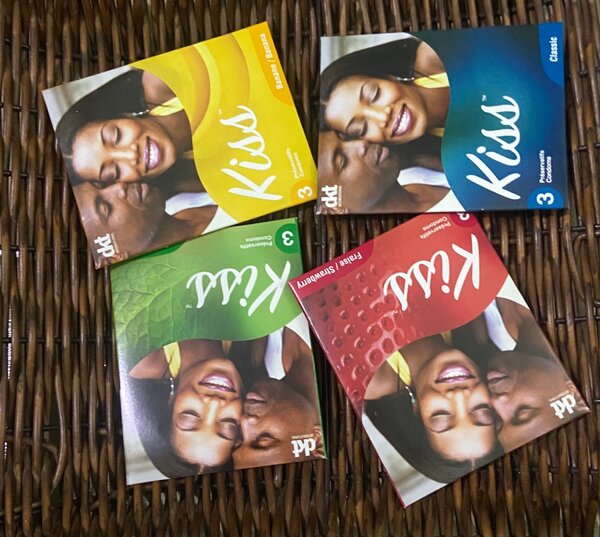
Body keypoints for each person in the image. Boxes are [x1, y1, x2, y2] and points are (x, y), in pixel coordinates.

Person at [452, 297, 589, 452]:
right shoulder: (574, 306)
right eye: (523, 411)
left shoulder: (487, 335)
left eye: (498, 421)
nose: (496, 401)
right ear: (573, 394)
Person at [363, 334, 502, 483]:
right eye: (481, 410)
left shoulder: (371, 378)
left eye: (441, 415)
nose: (458, 395)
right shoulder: (473, 331)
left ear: (416, 412)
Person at [55, 68, 207, 197]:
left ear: (123, 115)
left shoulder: (161, 80)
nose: (131, 155)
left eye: (116, 136)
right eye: (114, 171)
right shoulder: (191, 183)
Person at [320, 37, 448, 169]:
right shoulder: (433, 159)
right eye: (362, 128)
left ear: (389, 77)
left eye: (375, 94)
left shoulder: (435, 54)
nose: (383, 117)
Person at [127, 338, 244, 475]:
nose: (214, 403)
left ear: (170, 403)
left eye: (190, 415)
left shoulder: (141, 358)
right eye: (228, 424)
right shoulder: (249, 343)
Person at [229, 323, 324, 468]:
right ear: (315, 440)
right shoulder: (346, 356)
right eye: (265, 438)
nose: (244, 421)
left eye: (240, 438)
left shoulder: (265, 360)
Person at [318, 130, 462, 213]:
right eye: (343, 161)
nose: (361, 144)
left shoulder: (415, 172)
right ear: (335, 208)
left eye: (344, 137)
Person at [72, 180, 216, 262]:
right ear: (114, 257)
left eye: (100, 184)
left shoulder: (178, 200)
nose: (120, 186)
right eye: (106, 208)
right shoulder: (206, 265)